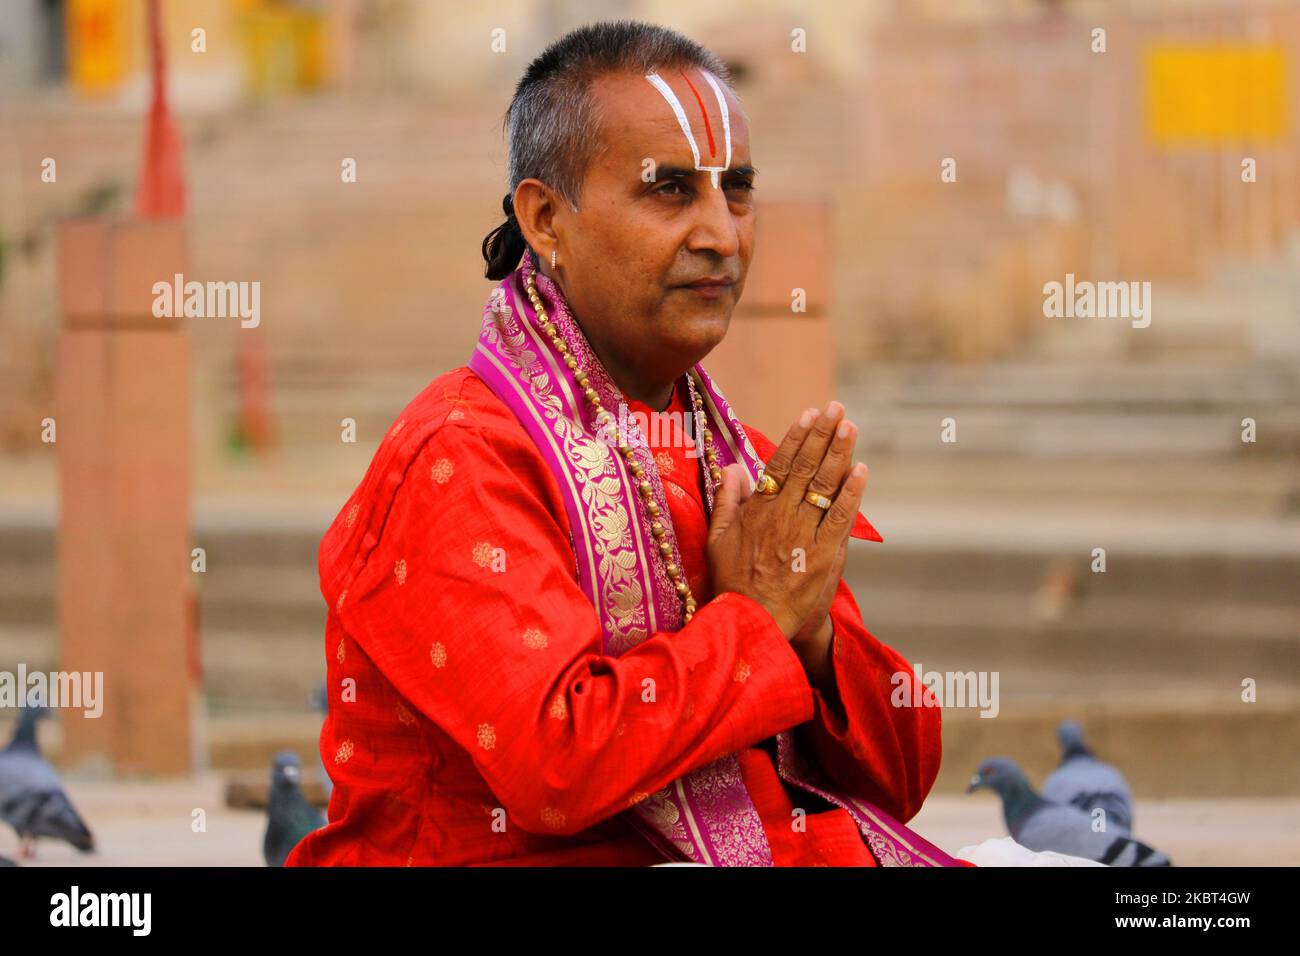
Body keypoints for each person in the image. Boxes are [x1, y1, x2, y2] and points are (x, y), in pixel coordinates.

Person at [286, 20, 968, 867]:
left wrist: (812, 637)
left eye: (739, 190)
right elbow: (556, 766)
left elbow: (897, 782)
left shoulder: (736, 462)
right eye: (671, 190)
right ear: (545, 219)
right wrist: (756, 621)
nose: (724, 234)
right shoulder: (462, 457)